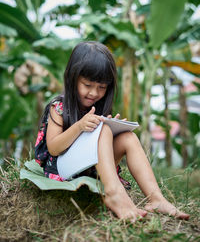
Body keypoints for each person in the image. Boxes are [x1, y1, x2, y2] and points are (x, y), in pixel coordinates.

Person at [35, 41, 189, 222]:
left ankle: (156, 199)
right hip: (63, 169)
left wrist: (113, 129)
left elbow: (99, 144)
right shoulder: (59, 107)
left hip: (89, 167)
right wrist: (80, 126)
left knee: (127, 137)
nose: (94, 93)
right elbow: (53, 148)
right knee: (104, 130)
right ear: (72, 78)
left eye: (101, 87)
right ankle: (113, 193)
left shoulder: (95, 106)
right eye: (87, 85)